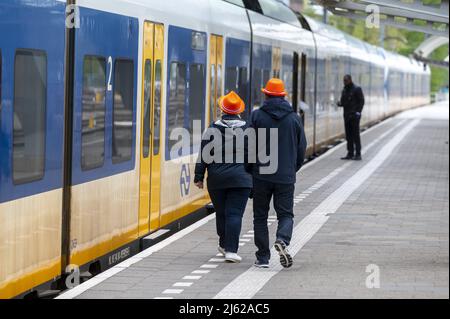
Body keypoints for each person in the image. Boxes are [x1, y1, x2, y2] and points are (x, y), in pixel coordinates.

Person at [249, 78, 307, 269]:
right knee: (286, 215)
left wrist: (250, 169)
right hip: (285, 176)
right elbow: (301, 148)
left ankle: (263, 258)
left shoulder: (256, 116)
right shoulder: (294, 118)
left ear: (266, 94)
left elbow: (247, 146)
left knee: (260, 216)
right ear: (283, 96)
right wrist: (292, 168)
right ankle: (282, 239)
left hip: (261, 175)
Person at [194, 91, 253, 263]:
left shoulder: (212, 129)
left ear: (222, 110)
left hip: (217, 179)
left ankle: (224, 243)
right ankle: (231, 250)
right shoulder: (249, 129)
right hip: (242, 179)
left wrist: (199, 176)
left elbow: (203, 155)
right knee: (234, 214)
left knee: (221, 213)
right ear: (239, 110)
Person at [338, 75, 365, 161]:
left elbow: (361, 101)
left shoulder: (357, 89)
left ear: (350, 80)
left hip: (354, 116)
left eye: (346, 80)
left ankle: (358, 154)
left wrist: (358, 112)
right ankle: (350, 153)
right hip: (346, 116)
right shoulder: (344, 90)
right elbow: (343, 102)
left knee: (355, 135)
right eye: (343, 80)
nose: (344, 82)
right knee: (348, 136)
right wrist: (339, 104)